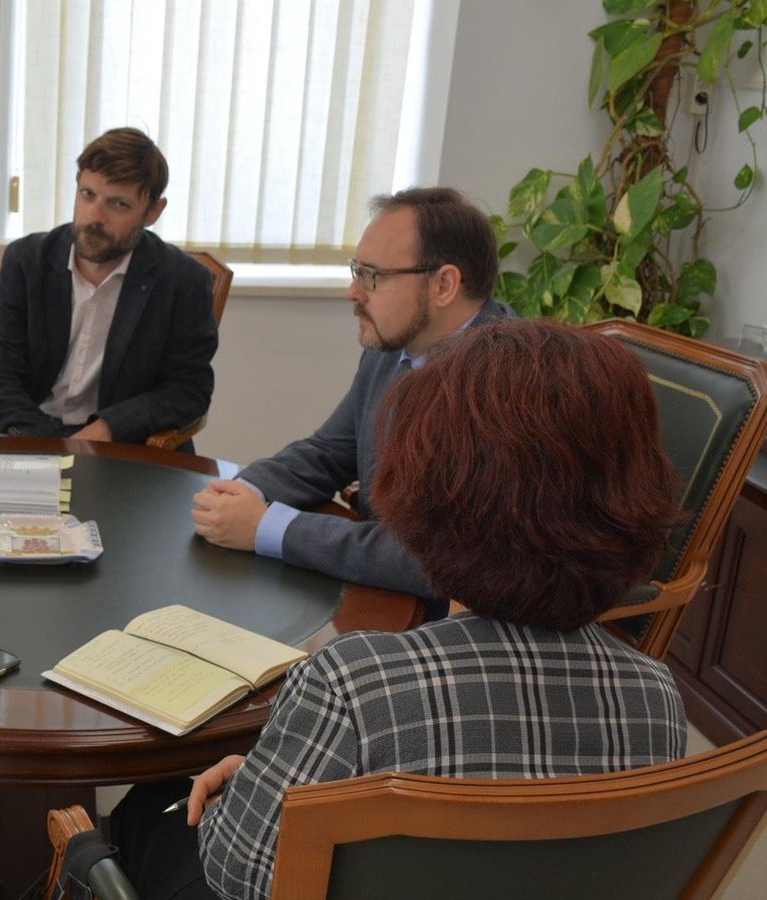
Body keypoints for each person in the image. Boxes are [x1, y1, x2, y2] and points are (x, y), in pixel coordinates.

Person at [112, 319, 687, 899]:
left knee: (146, 808)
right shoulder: (656, 697)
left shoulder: (354, 685)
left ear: (425, 494)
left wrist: (250, 790)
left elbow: (237, 873)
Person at [191, 187, 510, 607]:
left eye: (372, 276)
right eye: (356, 270)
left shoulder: (504, 387)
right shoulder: (395, 347)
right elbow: (329, 451)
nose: (353, 292)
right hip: (381, 591)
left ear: (444, 285)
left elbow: (438, 556)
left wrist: (268, 528)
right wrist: (241, 493)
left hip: (465, 620)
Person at [0, 127, 218, 445]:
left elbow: (188, 388)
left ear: (153, 211)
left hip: (117, 443)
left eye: (119, 204)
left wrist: (107, 429)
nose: (95, 216)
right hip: (26, 428)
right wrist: (48, 443)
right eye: (87, 194)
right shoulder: (27, 261)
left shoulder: (183, 280)